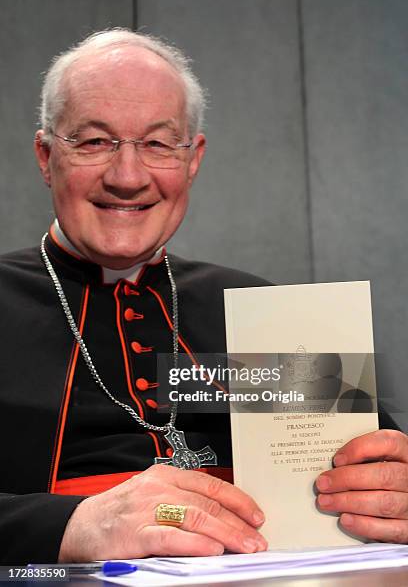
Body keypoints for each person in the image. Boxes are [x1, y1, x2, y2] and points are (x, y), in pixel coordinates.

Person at [0, 28, 407, 565]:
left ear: (192, 159)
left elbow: (376, 474)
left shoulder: (265, 307)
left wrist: (389, 487)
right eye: (95, 142)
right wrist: (72, 525)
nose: (128, 177)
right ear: (46, 155)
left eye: (159, 143)